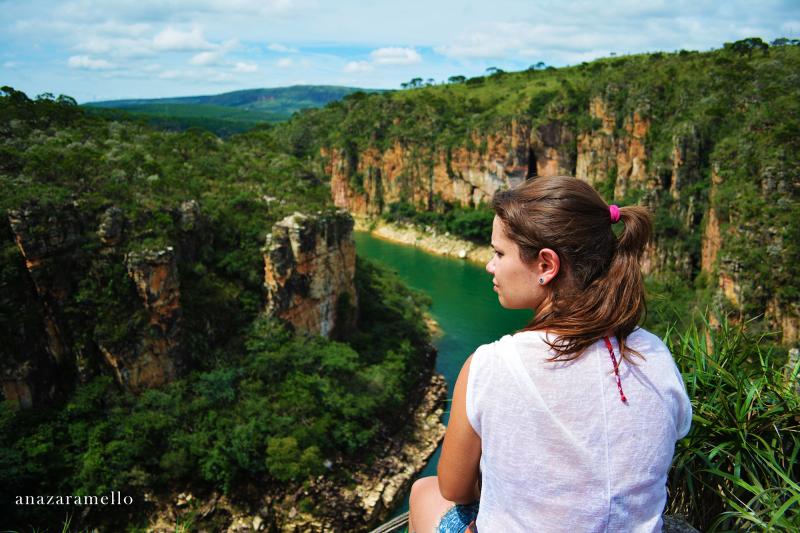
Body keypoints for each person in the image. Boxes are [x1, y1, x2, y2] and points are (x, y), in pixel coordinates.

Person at [408, 176, 692, 533]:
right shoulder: (653, 353)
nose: (489, 266)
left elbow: (455, 488)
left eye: (499, 253)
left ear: (546, 265)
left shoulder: (492, 364)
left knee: (425, 491)